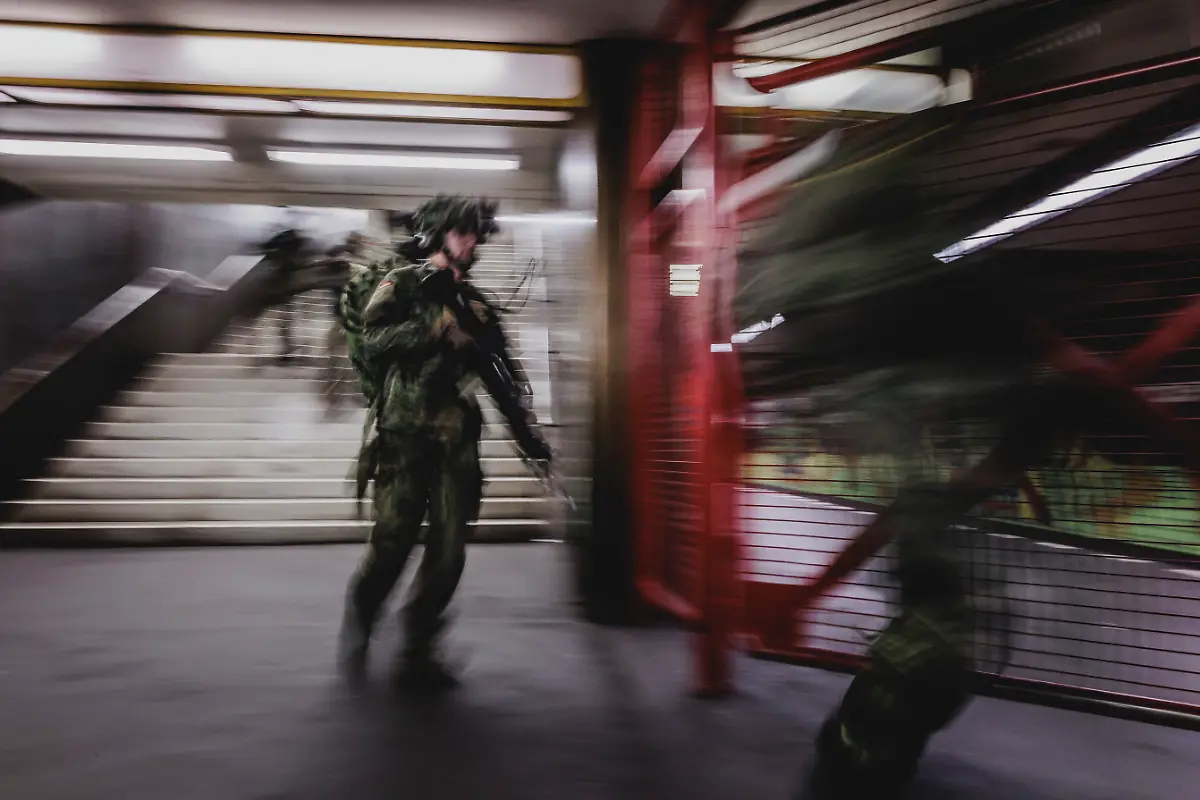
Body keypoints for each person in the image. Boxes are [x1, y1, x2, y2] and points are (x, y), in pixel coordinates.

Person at [338, 195, 550, 690]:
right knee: (392, 543)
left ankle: (419, 646)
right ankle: (363, 616)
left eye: (476, 234)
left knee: (450, 549)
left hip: (455, 442)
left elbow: (500, 379)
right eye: (462, 232)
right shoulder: (404, 283)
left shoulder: (476, 304)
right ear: (438, 234)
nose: (472, 242)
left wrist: (528, 438)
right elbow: (374, 339)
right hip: (404, 437)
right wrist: (433, 328)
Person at [258, 210, 313, 363]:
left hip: (286, 283)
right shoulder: (293, 239)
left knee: (284, 320)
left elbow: (267, 248)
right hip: (288, 284)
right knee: (285, 320)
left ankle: (291, 349)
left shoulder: (289, 239)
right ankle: (291, 348)